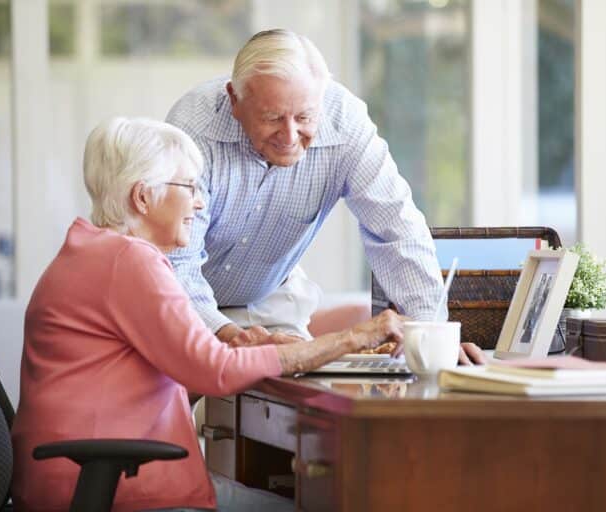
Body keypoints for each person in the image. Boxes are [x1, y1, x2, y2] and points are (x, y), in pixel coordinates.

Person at [10, 117, 404, 512]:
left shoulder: (90, 252)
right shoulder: (129, 261)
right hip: (114, 488)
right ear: (143, 197)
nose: (200, 203)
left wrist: (251, 349)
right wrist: (353, 338)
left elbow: (179, 371)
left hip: (75, 481)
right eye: (190, 187)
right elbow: (215, 371)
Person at [166, 29, 484, 364]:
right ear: (235, 100)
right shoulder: (192, 131)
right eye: (272, 118)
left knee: (299, 398)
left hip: (270, 292)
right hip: (183, 296)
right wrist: (229, 335)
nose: (289, 136)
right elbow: (176, 263)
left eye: (304, 117)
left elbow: (396, 229)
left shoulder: (346, 124)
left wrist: (431, 335)